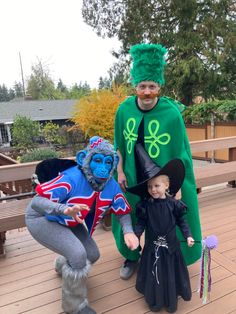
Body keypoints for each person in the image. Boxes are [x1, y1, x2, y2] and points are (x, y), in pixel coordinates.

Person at [112, 43, 202, 280]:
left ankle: (168, 257)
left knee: (164, 217)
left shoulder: (170, 113)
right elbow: (118, 145)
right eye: (142, 86)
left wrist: (178, 185)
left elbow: (180, 152)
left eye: (152, 86)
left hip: (161, 178)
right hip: (132, 176)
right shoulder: (124, 110)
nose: (147, 91)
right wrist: (120, 171)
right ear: (135, 87)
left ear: (159, 87)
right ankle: (131, 256)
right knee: (131, 214)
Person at [25, 136, 139, 314]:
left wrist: (128, 231)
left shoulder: (110, 185)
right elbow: (37, 203)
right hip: (42, 217)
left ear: (113, 164)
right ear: (84, 159)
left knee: (92, 254)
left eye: (108, 162)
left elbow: (122, 210)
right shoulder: (71, 177)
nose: (103, 167)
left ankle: (62, 264)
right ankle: (75, 306)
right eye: (98, 160)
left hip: (70, 219)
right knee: (78, 254)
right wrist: (64, 209)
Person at [127, 143, 194, 313]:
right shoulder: (145, 206)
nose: (153, 190)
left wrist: (188, 236)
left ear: (166, 185)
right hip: (153, 247)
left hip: (171, 247)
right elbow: (141, 223)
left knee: (170, 273)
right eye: (149, 186)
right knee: (154, 272)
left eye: (157, 186)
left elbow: (182, 222)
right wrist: (136, 235)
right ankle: (155, 298)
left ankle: (171, 297)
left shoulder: (174, 205)